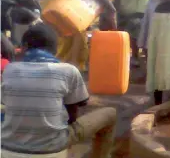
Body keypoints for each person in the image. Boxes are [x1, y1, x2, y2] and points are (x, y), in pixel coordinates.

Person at [1, 23, 117, 157]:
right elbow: (73, 116)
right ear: (55, 50)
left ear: (24, 47)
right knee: (111, 113)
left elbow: (7, 103)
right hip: (52, 147)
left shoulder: (10, 70)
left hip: (8, 146)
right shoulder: (68, 70)